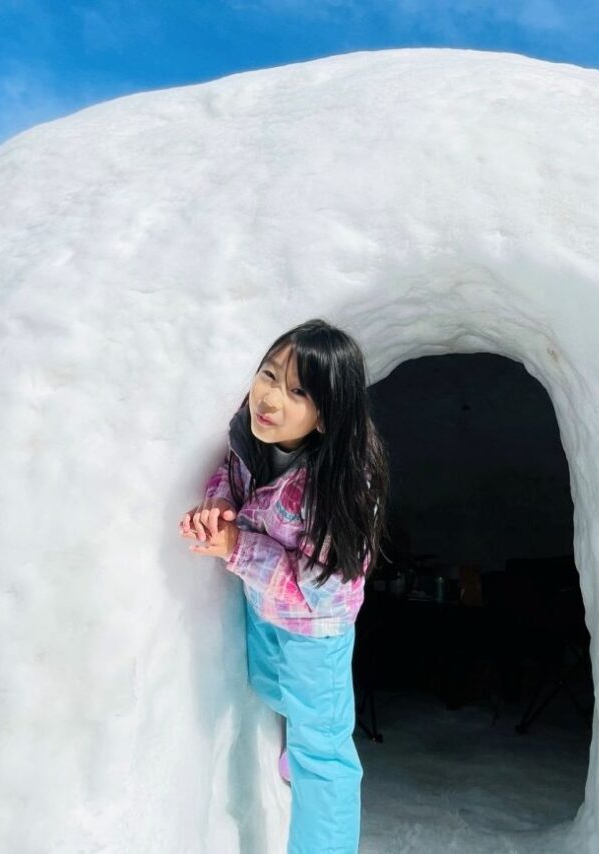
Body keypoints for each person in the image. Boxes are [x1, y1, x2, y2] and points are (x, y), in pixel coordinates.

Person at [179, 318, 389, 854]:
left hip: (317, 631)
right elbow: (233, 471)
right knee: (271, 687)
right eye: (269, 374)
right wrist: (220, 504)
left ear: (326, 416)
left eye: (298, 391)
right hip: (264, 605)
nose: (270, 397)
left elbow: (317, 590)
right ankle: (301, 739)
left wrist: (237, 548)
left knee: (324, 755)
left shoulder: (339, 490)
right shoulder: (254, 434)